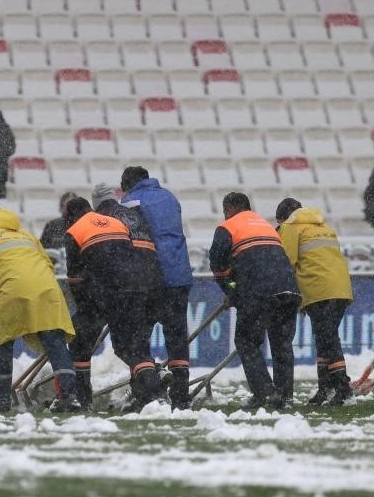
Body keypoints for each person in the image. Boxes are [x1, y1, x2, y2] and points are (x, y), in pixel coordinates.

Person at [0, 202, 78, 414]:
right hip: (47, 290)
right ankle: (68, 395)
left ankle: (1, 398)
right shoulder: (26, 234)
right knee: (55, 344)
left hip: (13, 290)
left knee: (1, 341)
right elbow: (47, 263)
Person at [64, 196, 164, 411]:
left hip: (104, 293)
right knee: (132, 345)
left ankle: (83, 399)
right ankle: (156, 391)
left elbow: (75, 280)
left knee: (80, 341)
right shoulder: (116, 222)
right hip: (136, 289)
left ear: (70, 216)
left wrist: (86, 307)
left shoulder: (74, 231)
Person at [209, 192, 300, 411]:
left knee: (246, 341)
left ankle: (265, 393)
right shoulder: (266, 225)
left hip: (258, 292)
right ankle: (284, 396)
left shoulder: (229, 226)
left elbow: (218, 264)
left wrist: (231, 291)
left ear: (230, 209)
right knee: (282, 344)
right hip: (289, 289)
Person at [120, 166, 193, 409]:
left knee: (138, 338)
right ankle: (181, 395)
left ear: (128, 185)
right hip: (180, 274)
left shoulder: (131, 201)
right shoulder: (169, 197)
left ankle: (148, 391)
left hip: (151, 277)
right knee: (177, 338)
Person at [276, 197, 354, 406]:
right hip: (340, 288)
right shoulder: (322, 226)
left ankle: (342, 389)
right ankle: (325, 388)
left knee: (328, 339)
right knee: (324, 338)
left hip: (320, 289)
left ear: (283, 218)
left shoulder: (290, 227)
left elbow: (287, 263)